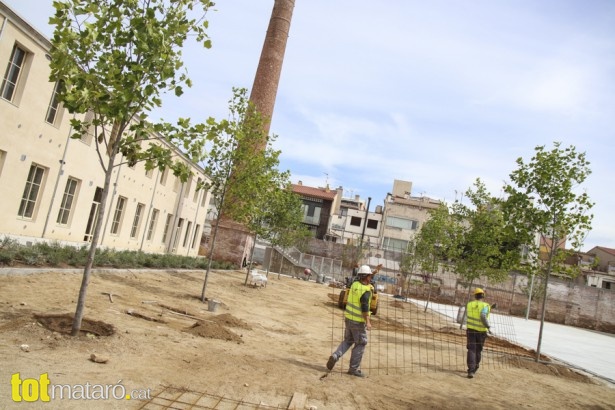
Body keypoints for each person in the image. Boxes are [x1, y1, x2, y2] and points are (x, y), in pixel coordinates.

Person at [326, 264, 373, 377]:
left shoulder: (354, 285)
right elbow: (365, 307)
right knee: (361, 343)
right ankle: (353, 369)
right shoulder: (366, 290)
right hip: (358, 321)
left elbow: (362, 281)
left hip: (348, 318)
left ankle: (336, 355)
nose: (371, 278)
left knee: (348, 340)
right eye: (370, 276)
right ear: (367, 277)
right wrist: (368, 321)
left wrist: (373, 272)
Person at [465, 287, 492, 379]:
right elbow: (482, 315)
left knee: (471, 349)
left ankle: (471, 370)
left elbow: (476, 310)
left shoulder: (469, 304)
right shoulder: (486, 306)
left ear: (475, 296)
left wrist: (491, 307)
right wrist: (488, 327)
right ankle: (475, 367)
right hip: (481, 332)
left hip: (471, 330)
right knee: (478, 350)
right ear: (483, 296)